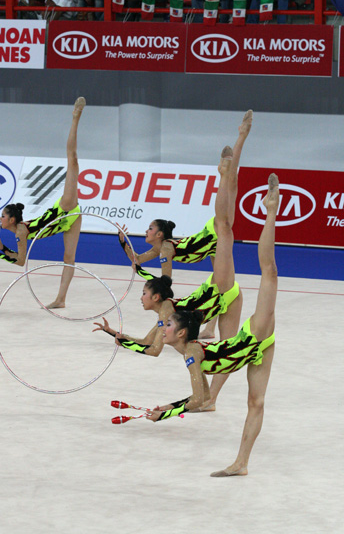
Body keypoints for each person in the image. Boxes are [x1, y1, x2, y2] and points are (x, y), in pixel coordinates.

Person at [94, 110, 254, 409]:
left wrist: (120, 335)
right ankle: (211, 401)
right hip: (225, 296)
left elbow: (165, 280)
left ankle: (234, 151)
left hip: (216, 268)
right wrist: (116, 334)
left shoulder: (166, 262)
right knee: (226, 350)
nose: (141, 298)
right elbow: (140, 265)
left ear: (156, 297)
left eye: (145, 294)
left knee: (227, 209)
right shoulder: (164, 313)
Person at [145, 169, 280, 478]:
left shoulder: (192, 352)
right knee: (255, 402)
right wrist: (168, 410)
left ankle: (270, 210)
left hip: (255, 335)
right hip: (252, 352)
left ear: (180, 333)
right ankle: (241, 463)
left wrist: (166, 412)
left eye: (166, 326)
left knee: (268, 271)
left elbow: (196, 399)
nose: (161, 327)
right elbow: (202, 399)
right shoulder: (188, 351)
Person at [0, 98, 86, 309]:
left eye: (2, 216)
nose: (0, 219)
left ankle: (75, 118)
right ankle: (61, 300)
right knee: (68, 257)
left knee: (72, 160)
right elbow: (19, 258)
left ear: (11, 220)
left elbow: (20, 262)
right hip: (67, 223)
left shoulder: (19, 231)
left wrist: (0, 254)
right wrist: (2, 250)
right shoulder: (18, 231)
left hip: (64, 210)